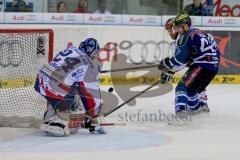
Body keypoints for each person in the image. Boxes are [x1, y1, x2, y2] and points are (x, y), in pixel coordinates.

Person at [34, 38, 104, 136]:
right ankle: (59, 120)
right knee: (74, 95)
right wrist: (92, 116)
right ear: (93, 52)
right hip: (53, 86)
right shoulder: (89, 65)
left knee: (71, 84)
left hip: (39, 80)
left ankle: (53, 111)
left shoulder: (70, 49)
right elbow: (88, 93)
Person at [159, 14, 220, 119]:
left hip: (202, 65)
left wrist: (167, 67)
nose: (174, 30)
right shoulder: (200, 32)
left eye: (176, 28)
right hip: (213, 67)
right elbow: (215, 52)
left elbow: (180, 61)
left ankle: (181, 113)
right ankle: (199, 107)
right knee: (193, 89)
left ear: (185, 26)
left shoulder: (185, 37)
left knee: (182, 87)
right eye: (173, 28)